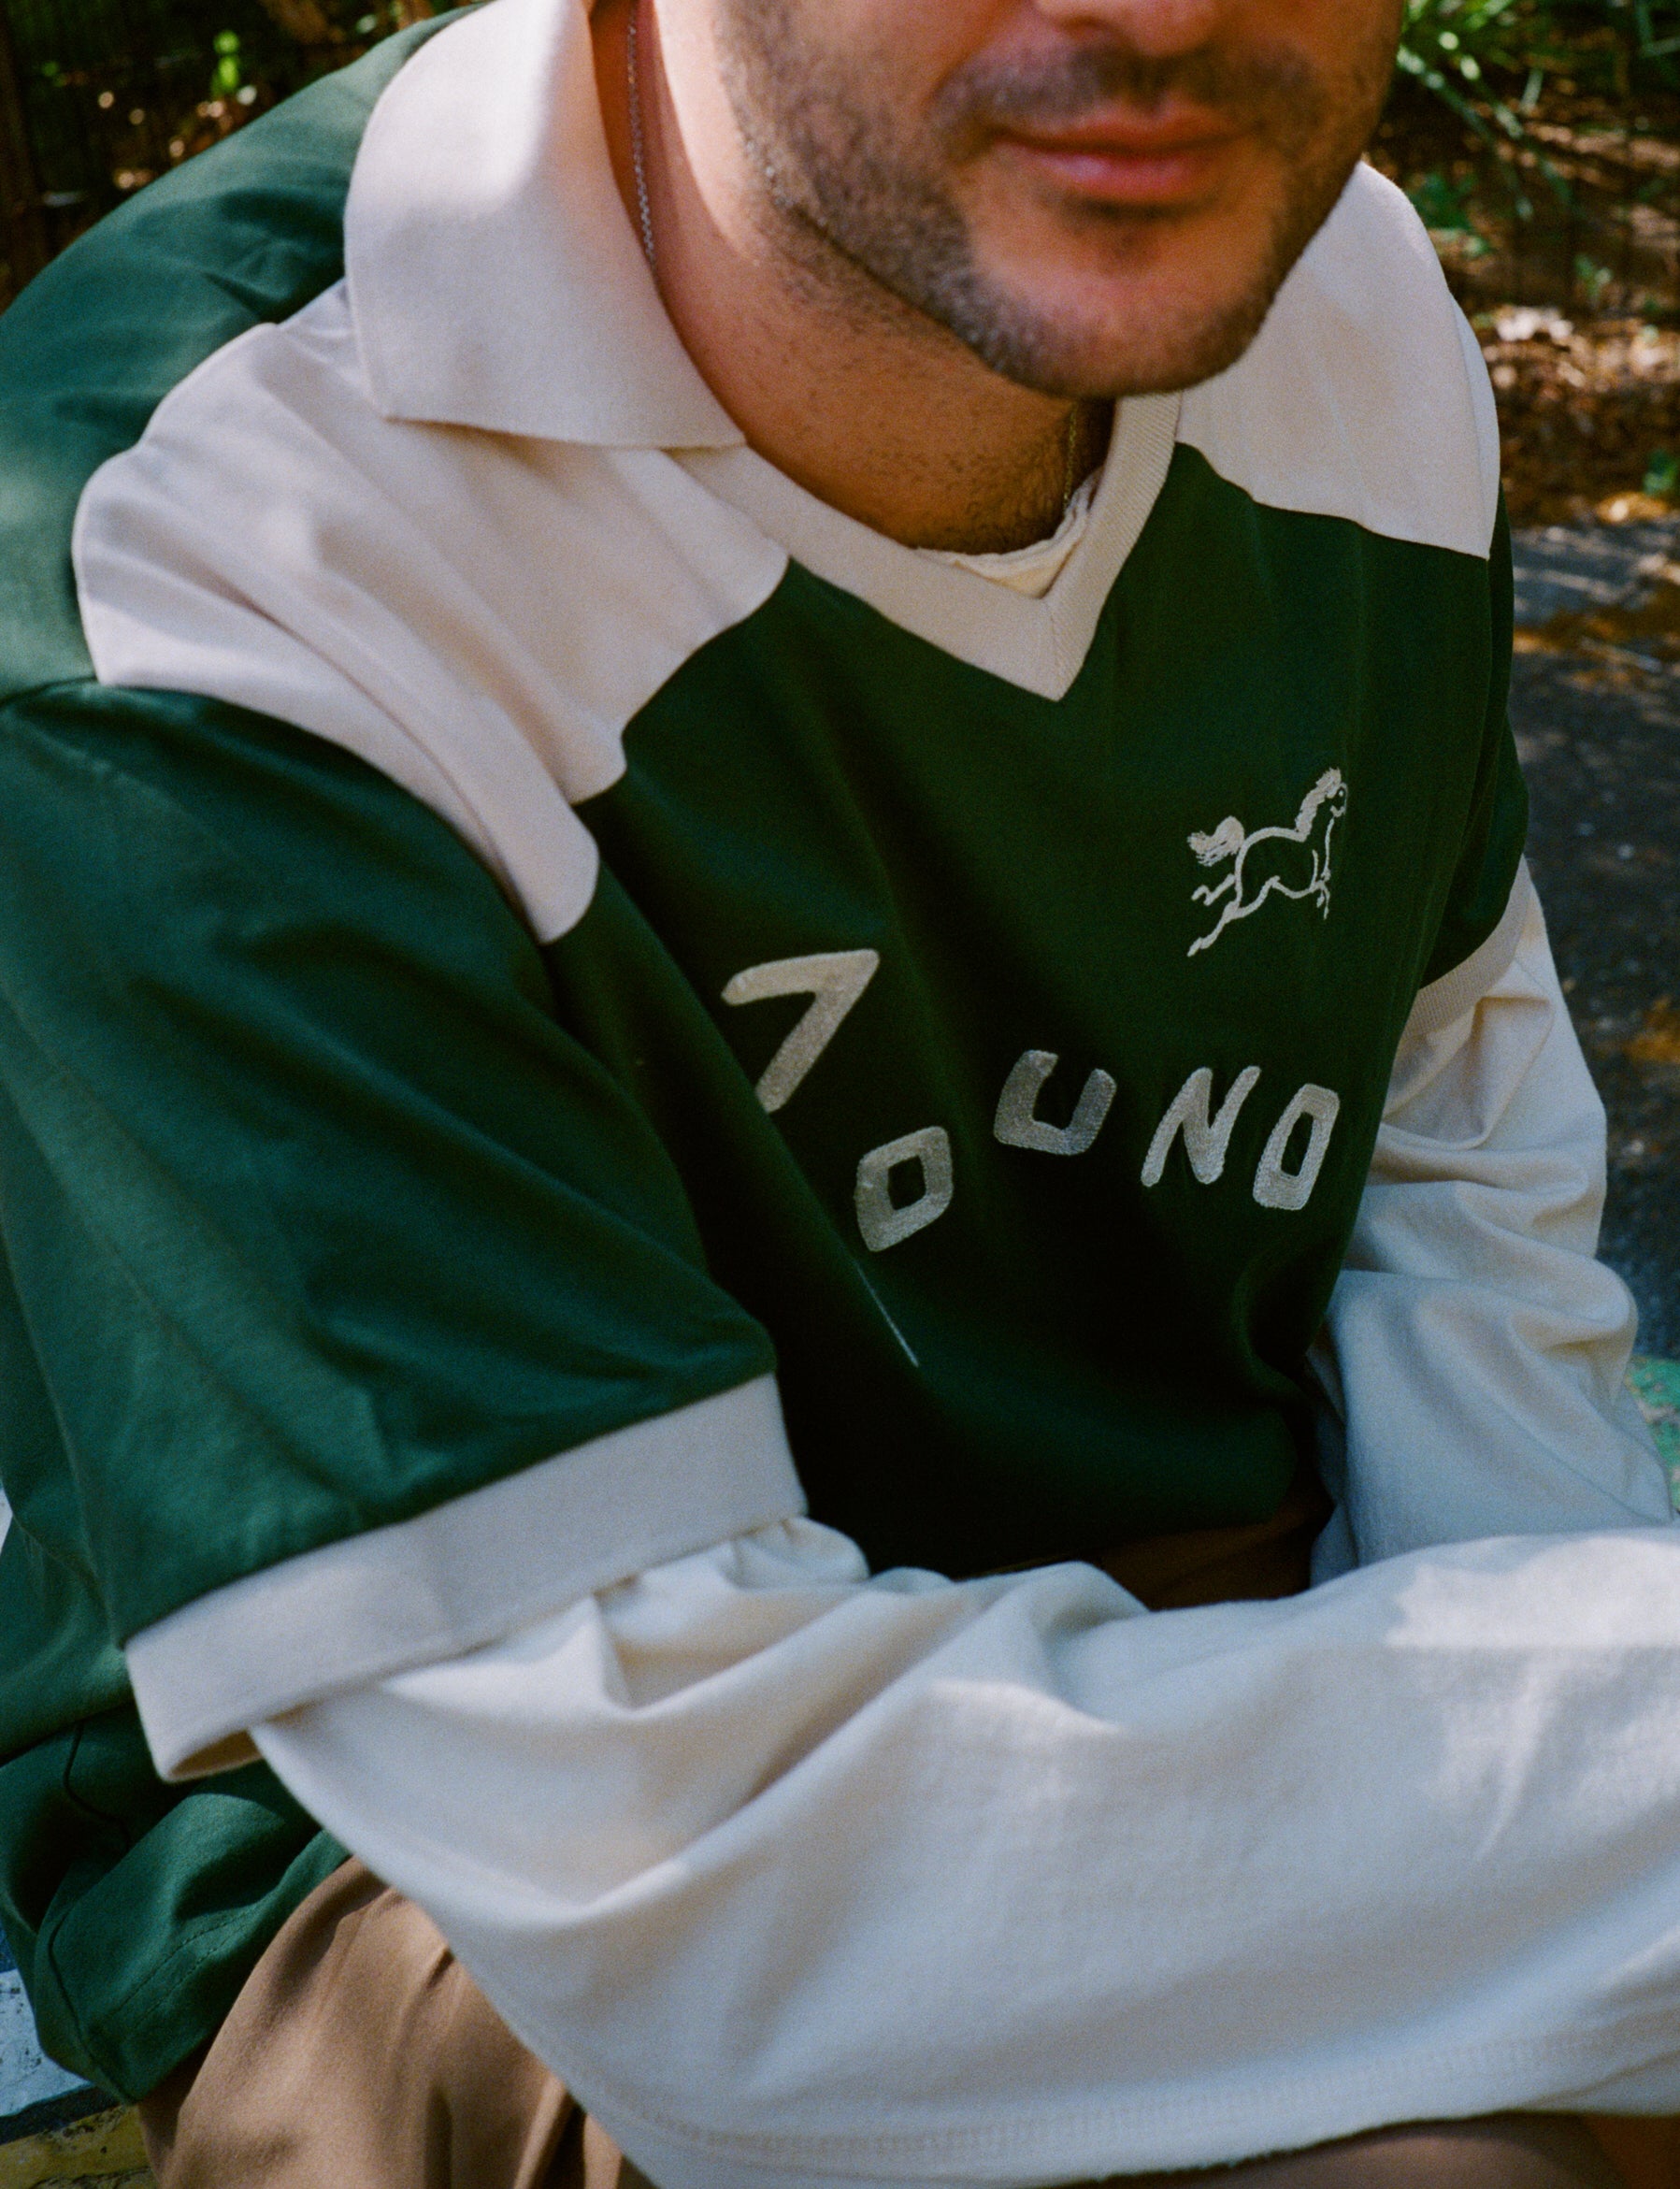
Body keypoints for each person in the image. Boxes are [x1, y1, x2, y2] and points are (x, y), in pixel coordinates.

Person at [1, 0, 1678, 2182]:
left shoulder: (1328, 297)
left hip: (1225, 1636)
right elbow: (692, 1871)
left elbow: (1443, 1186)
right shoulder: (200, 538)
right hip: (466, 1868)